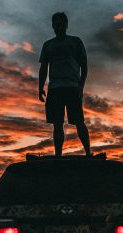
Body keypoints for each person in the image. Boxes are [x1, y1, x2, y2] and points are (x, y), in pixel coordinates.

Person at [38, 11, 92, 157]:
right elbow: (43, 68)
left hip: (72, 87)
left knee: (79, 121)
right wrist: (40, 87)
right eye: (55, 24)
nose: (58, 26)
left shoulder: (75, 42)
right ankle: (58, 155)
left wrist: (81, 86)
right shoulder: (48, 45)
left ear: (66, 25)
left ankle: (88, 153)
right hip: (55, 88)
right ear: (52, 26)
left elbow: (84, 66)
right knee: (57, 123)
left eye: (61, 23)